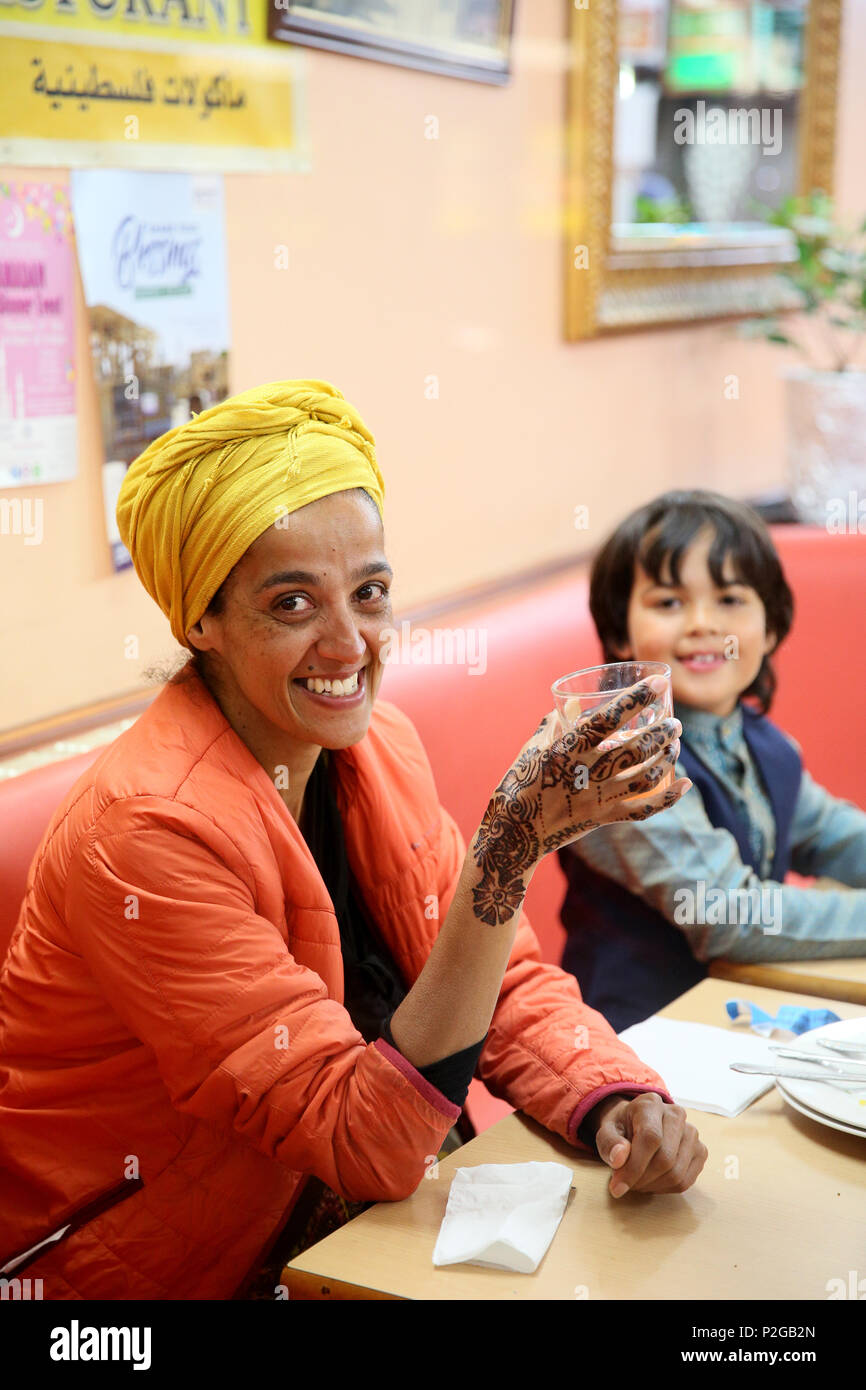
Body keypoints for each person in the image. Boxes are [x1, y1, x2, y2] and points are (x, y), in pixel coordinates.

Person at [0, 381, 705, 1301]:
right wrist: (506, 854)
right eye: (293, 604)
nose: (349, 643)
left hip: (364, 1228)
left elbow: (506, 982)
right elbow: (360, 1138)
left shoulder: (380, 747)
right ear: (198, 621)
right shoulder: (143, 834)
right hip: (157, 1273)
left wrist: (616, 1098)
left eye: (369, 593)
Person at [559, 489, 866, 1032]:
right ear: (620, 633)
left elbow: (836, 838)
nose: (702, 623)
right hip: (636, 1049)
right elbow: (726, 913)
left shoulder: (764, 745)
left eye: (730, 599)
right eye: (669, 602)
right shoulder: (624, 761)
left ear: (770, 628)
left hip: (742, 1016)